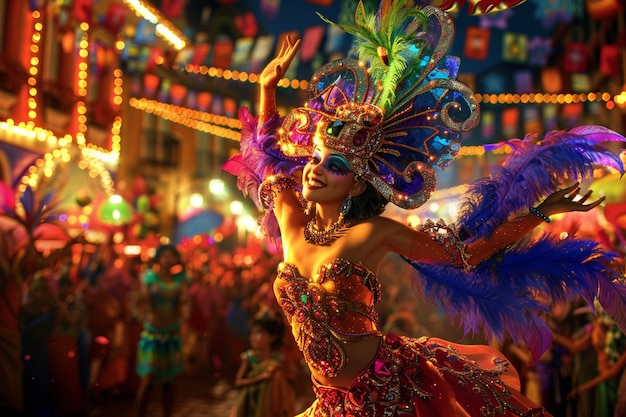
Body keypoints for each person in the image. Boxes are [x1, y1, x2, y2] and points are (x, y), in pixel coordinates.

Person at [223, 1, 626, 415]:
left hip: (386, 392)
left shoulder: (371, 233)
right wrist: (266, 89)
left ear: (360, 183)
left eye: (337, 166)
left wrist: (541, 212)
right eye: (316, 158)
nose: (316, 170)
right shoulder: (289, 216)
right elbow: (269, 156)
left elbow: (465, 255)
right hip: (331, 401)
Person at [133, 244, 189, 417]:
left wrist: (185, 307)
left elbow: (184, 305)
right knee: (148, 381)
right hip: (153, 335)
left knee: (169, 383)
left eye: (171, 256)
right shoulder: (149, 278)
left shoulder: (180, 281)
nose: (168, 259)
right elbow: (140, 301)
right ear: (158, 258)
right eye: (164, 255)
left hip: (171, 335)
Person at [233, 309, 295, 417]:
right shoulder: (250, 358)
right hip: (252, 403)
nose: (253, 337)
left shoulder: (278, 359)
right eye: (252, 333)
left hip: (273, 404)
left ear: (272, 337)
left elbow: (292, 378)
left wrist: (278, 373)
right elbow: (238, 382)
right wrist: (261, 377)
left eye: (259, 333)